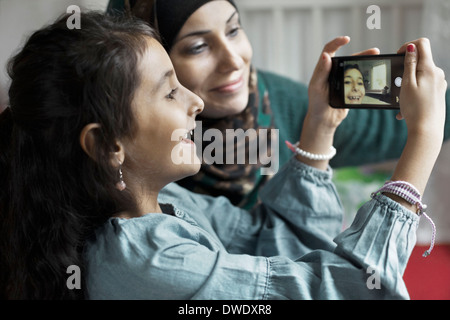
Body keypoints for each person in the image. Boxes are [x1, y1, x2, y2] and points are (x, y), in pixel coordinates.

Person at [0, 11, 446, 300]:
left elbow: (273, 245)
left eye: (234, 28)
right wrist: (423, 137)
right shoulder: (148, 263)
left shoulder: (169, 202)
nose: (194, 101)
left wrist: (319, 128)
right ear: (106, 146)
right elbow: (352, 293)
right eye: (170, 90)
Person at [108, 0, 450, 209]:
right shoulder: (131, 157)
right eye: (198, 47)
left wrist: (429, 117)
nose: (234, 60)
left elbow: (385, 128)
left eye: (233, 30)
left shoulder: (285, 102)